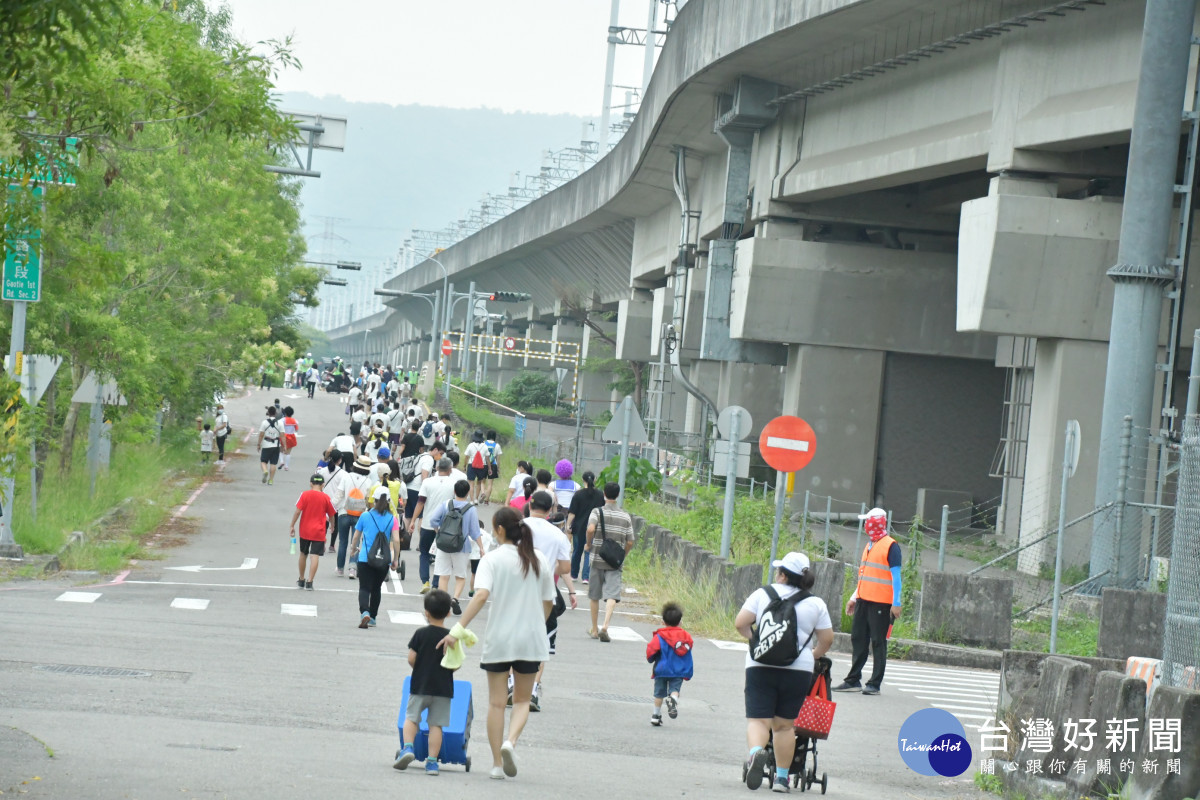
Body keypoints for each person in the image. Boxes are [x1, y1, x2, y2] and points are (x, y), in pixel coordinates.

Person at [436, 506, 554, 781]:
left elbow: (480, 597)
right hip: (530, 639)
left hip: (500, 637)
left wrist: (457, 628)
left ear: (499, 530)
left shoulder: (492, 560)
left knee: (497, 703)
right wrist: (538, 622)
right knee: (523, 700)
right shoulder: (538, 559)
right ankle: (510, 742)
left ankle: (497, 765)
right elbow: (549, 602)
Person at [734, 552, 834, 794]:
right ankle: (781, 779)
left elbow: (740, 623)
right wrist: (813, 654)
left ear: (781, 574)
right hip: (797, 670)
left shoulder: (762, 594)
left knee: (759, 720)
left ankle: (757, 754)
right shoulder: (815, 603)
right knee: (784, 726)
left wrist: (758, 641)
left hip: (760, 666)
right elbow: (827, 639)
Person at [833, 507, 902, 696]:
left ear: (877, 522)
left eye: (868, 521)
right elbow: (865, 576)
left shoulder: (891, 546)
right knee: (857, 638)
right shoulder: (869, 545)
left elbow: (896, 577)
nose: (865, 525)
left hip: (881, 603)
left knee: (878, 642)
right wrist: (854, 598)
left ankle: (874, 684)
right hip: (863, 600)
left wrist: (896, 602)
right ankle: (853, 680)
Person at [524, 490, 576, 712]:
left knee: (514, 638)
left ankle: (510, 683)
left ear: (529, 506)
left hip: (517, 591)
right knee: (541, 643)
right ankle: (533, 690)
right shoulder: (558, 535)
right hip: (545, 594)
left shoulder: (517, 527)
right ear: (550, 510)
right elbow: (565, 568)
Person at [394, 589, 457, 775]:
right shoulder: (451, 637)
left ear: (426, 612)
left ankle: (407, 748)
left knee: (412, 718)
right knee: (436, 725)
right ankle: (431, 762)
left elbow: (411, 658)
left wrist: (420, 668)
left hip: (420, 684)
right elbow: (454, 665)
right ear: (448, 613)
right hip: (443, 688)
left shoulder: (420, 633)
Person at [585, 482, 636, 642]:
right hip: (615, 561)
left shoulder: (597, 511)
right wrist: (622, 555)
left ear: (604, 495)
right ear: (618, 495)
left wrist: (588, 543)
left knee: (594, 595)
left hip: (597, 557)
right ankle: (605, 626)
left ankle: (594, 629)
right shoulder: (625, 516)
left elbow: (591, 529)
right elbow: (630, 541)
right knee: (612, 594)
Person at [426, 479, 481, 615]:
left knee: (443, 576)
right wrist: (481, 547)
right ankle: (455, 598)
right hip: (461, 547)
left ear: (454, 491)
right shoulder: (471, 509)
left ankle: (444, 605)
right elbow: (475, 532)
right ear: (468, 492)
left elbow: (433, 519)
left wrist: (438, 531)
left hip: (444, 545)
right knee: (460, 577)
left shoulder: (446, 505)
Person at [349, 486, 401, 628]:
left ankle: (364, 612)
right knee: (376, 588)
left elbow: (356, 536)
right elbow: (396, 540)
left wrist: (353, 550)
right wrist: (395, 559)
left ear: (374, 500)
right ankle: (372, 617)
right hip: (383, 559)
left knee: (364, 588)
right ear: (389, 501)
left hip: (365, 558)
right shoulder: (393, 519)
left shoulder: (365, 516)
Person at [409, 456, 457, 594]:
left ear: (436, 468)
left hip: (427, 523)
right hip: (446, 526)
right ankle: (436, 584)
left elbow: (421, 502)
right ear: (450, 469)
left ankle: (425, 582)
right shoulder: (454, 483)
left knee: (424, 553)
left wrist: (413, 520)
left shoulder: (428, 482)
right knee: (441, 556)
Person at [646, 601, 694, 727]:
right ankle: (673, 700)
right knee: (675, 690)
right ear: (680, 622)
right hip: (678, 670)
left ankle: (656, 715)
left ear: (663, 622)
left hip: (662, 669)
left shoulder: (660, 636)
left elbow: (651, 649)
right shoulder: (686, 636)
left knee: (659, 693)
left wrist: (651, 659)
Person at [330, 455, 375, 579]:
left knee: (343, 542)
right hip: (360, 516)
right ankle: (352, 569)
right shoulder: (369, 481)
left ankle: (340, 568)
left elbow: (339, 495)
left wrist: (330, 508)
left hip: (344, 513)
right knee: (354, 543)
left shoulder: (346, 477)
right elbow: (369, 500)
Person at [290, 474, 336, 590]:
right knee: (314, 555)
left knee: (303, 554)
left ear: (311, 483)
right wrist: (332, 525)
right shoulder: (326, 498)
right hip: (319, 531)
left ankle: (301, 579)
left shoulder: (304, 495)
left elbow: (297, 511)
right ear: (323, 484)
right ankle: (310, 582)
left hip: (305, 529)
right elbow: (331, 514)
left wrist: (292, 525)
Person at [566, 471, 604, 584]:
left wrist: (568, 525)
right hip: (594, 527)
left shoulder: (578, 494)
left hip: (579, 527)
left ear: (583, 480)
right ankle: (586, 577)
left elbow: (572, 512)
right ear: (595, 479)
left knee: (577, 551)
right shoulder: (600, 494)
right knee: (589, 551)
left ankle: (573, 575)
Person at [256, 406, 283, 485]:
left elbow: (261, 434)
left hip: (266, 444)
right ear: (275, 413)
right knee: (273, 463)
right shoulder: (280, 423)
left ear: (268, 413)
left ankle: (265, 471)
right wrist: (284, 446)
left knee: (263, 461)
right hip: (276, 445)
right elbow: (283, 435)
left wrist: (258, 444)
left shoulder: (264, 422)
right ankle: (271, 480)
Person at [464, 431, 489, 503]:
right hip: (482, 466)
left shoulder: (470, 445)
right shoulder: (485, 446)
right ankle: (476, 499)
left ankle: (471, 500)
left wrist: (464, 465)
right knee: (479, 483)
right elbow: (487, 458)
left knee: (471, 483)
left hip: (471, 465)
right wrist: (489, 468)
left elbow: (466, 456)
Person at [482, 430, 502, 505]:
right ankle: (486, 500)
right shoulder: (497, 445)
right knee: (490, 484)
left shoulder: (483, 443)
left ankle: (483, 492)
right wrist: (498, 468)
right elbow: (498, 459)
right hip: (493, 465)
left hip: (484, 464)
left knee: (482, 481)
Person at [281, 406, 299, 472]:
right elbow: (297, 430)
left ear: (285, 413)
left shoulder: (282, 420)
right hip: (291, 436)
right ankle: (286, 466)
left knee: (281, 450)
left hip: (283, 436)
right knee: (288, 452)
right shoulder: (295, 421)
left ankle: (281, 461)